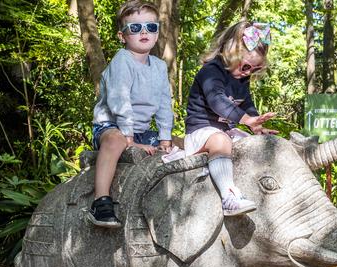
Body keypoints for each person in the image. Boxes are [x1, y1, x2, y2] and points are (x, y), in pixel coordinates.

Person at [87, 0, 173, 228]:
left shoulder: (159, 66)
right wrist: (129, 140)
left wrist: (165, 137)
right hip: (112, 126)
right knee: (115, 141)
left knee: (182, 145)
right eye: (135, 28)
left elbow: (165, 103)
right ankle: (101, 201)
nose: (144, 32)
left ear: (157, 32)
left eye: (150, 27)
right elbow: (120, 100)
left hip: (142, 132)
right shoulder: (122, 60)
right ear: (122, 36)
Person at [184, 21, 278, 216]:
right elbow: (217, 100)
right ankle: (229, 197)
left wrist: (257, 126)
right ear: (230, 53)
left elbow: (247, 105)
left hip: (224, 133)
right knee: (221, 140)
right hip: (201, 133)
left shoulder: (241, 79)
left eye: (254, 69)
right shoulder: (211, 71)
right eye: (245, 66)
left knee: (254, 145)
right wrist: (245, 120)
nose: (248, 73)